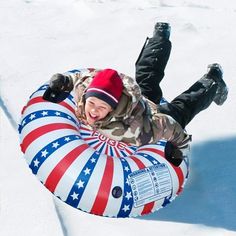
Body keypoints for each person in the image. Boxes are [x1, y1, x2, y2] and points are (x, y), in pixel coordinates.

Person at [43, 22, 228, 166]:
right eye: (92, 103)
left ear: (112, 108)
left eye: (102, 108)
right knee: (146, 75)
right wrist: (63, 81)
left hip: (150, 115)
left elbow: (170, 127)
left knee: (182, 108)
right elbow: (80, 79)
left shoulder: (136, 130)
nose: (93, 110)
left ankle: (213, 80)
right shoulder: (84, 92)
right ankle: (159, 38)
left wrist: (181, 147)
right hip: (135, 99)